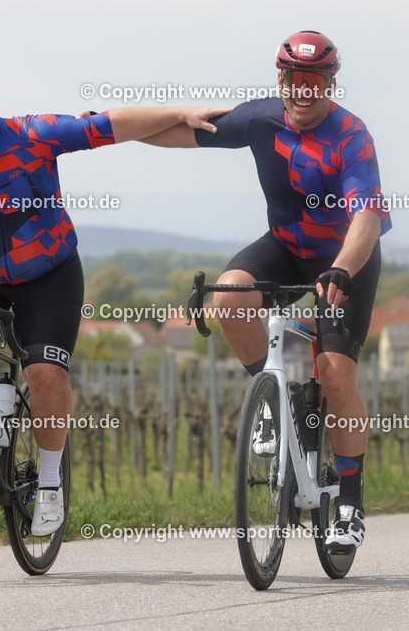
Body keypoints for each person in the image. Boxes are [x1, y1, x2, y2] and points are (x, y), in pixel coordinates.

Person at [0, 63, 226, 537]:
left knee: (44, 373)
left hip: (50, 276)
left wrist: (181, 112)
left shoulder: (32, 136)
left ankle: (48, 482)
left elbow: (108, 125)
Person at [143, 31, 391, 553]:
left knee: (336, 373)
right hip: (284, 246)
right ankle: (274, 405)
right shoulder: (260, 118)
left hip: (346, 258)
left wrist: (343, 269)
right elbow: (181, 133)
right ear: (280, 80)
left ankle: (349, 497)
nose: (303, 91)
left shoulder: (351, 135)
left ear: (330, 83)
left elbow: (366, 216)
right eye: (293, 79)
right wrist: (127, 131)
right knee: (229, 296)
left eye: (314, 81)